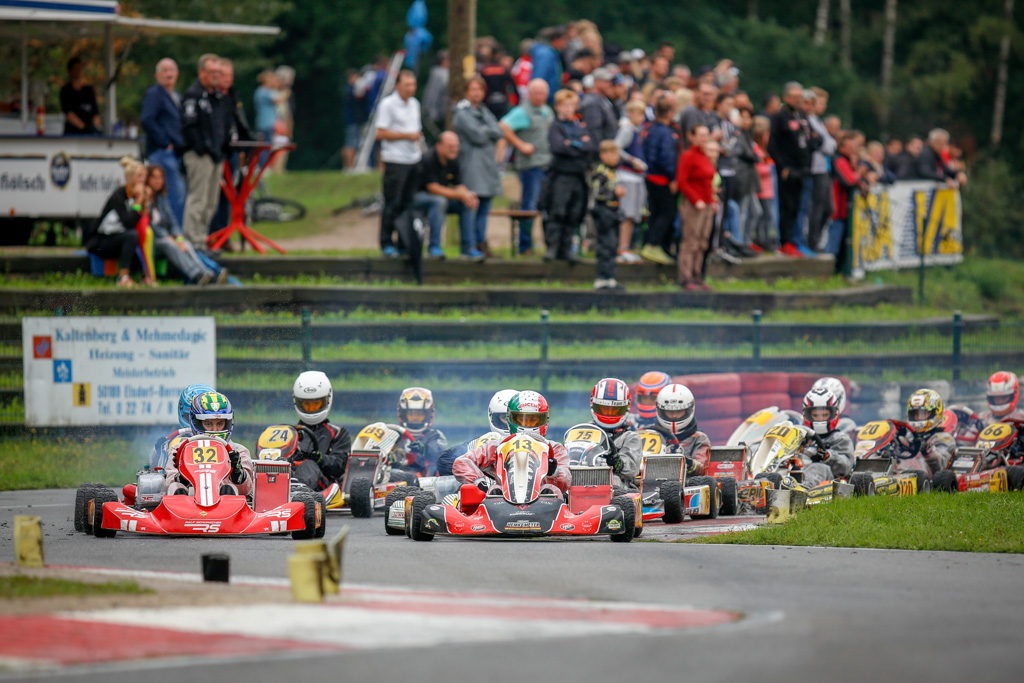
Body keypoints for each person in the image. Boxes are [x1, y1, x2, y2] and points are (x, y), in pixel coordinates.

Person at [453, 390, 571, 494]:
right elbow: (461, 462)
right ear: (510, 419)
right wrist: (479, 481)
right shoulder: (497, 446)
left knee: (552, 491)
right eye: (521, 419)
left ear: (545, 419)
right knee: (492, 491)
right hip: (502, 499)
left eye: (533, 420)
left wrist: (555, 472)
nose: (527, 425)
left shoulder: (554, 448)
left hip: (543, 499)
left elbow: (566, 482)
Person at [539, 89, 595, 262]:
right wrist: (577, 146)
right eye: (564, 105)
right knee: (558, 211)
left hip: (578, 176)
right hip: (561, 176)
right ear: (557, 107)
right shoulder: (556, 126)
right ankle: (553, 248)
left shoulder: (579, 125)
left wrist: (572, 144)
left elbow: (589, 146)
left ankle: (567, 249)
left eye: (571, 105)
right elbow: (558, 147)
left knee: (574, 212)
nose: (568, 108)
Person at [181, 54, 229, 252]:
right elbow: (189, 126)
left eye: (219, 72)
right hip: (199, 155)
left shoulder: (215, 96)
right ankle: (192, 241)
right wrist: (203, 149)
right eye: (212, 72)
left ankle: (202, 240)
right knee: (198, 199)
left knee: (211, 202)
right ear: (201, 73)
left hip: (215, 156)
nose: (216, 76)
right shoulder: (193, 95)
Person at [500, 79, 553, 255]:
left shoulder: (547, 111)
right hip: (531, 166)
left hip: (547, 164)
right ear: (529, 94)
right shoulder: (522, 112)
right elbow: (503, 126)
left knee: (547, 206)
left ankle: (549, 245)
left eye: (542, 93)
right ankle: (525, 246)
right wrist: (520, 144)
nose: (539, 96)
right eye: (536, 93)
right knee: (529, 204)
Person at [451, 76, 503, 259]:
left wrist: (486, 131)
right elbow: (477, 136)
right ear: (466, 92)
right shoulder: (461, 113)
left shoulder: (485, 111)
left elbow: (499, 131)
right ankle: (469, 245)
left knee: (484, 208)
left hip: (487, 168)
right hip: (471, 167)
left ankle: (482, 243)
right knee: (471, 207)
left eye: (480, 89)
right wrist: (488, 131)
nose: (477, 93)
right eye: (473, 90)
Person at [165, 391, 254, 497]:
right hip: (189, 504)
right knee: (175, 487)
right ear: (196, 422)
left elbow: (247, 490)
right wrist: (182, 477)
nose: (215, 430)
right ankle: (180, 505)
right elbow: (168, 483)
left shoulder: (238, 451)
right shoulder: (179, 449)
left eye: (220, 424)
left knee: (230, 488)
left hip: (226, 508)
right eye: (208, 424)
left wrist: (238, 473)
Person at [146, 164, 222, 285]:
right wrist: (169, 237)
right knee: (170, 244)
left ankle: (205, 273)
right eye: (154, 177)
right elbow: (148, 223)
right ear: (147, 179)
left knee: (186, 243)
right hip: (155, 240)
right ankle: (195, 274)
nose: (157, 181)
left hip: (168, 238)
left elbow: (172, 221)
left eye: (160, 177)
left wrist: (179, 238)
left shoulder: (162, 198)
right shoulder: (144, 198)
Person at [376, 70, 423, 258]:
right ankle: (386, 242)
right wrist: (406, 135)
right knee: (392, 203)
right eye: (407, 85)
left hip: (413, 159)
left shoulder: (415, 104)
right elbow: (380, 133)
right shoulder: (388, 104)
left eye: (413, 85)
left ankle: (404, 241)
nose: (411, 89)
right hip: (395, 160)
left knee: (409, 203)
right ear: (398, 86)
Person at [84, 157, 149, 288]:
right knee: (132, 235)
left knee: (144, 235)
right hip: (101, 242)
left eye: (144, 177)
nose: (142, 180)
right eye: (139, 176)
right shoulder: (118, 196)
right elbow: (129, 223)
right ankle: (123, 277)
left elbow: (147, 221)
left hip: (120, 239)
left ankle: (145, 276)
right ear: (129, 178)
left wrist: (145, 202)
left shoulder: (139, 196)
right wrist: (139, 201)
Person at [414, 131, 479, 260]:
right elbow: (433, 188)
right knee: (439, 201)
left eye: (456, 146)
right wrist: (460, 195)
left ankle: (468, 248)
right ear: (439, 145)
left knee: (466, 203)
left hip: (439, 197)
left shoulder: (453, 159)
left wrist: (467, 195)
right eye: (450, 147)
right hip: (418, 197)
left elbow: (458, 184)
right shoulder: (428, 158)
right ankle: (434, 247)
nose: (454, 150)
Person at [141, 58, 186, 226]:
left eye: (171, 70)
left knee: (178, 195)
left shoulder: (176, 96)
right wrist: (165, 142)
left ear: (177, 73)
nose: (168, 74)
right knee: (174, 195)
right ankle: (174, 234)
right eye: (164, 70)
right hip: (162, 153)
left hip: (175, 153)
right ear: (157, 75)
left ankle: (175, 233)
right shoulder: (155, 94)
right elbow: (147, 119)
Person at [769, 82, 812, 257]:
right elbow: (773, 145)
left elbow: (808, 140)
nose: (797, 100)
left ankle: (794, 241)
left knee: (797, 207)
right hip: (787, 169)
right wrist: (782, 166)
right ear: (786, 97)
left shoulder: (802, 115)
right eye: (794, 97)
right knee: (786, 206)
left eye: (799, 97)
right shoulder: (780, 116)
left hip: (802, 169)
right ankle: (784, 241)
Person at [291, 371, 352, 494]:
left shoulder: (338, 433)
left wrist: (320, 459)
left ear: (326, 400)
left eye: (316, 404)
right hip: (292, 476)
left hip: (324, 486)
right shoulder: (290, 433)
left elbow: (340, 467)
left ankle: (295, 492)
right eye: (307, 405)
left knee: (308, 465)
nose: (311, 409)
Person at [436, 389, 518, 477]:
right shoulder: (486, 441)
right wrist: (481, 477)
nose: (510, 424)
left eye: (515, 418)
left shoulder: (533, 441)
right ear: (493, 417)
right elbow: (445, 460)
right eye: (505, 418)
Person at [639, 93, 679, 266]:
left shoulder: (650, 130)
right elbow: (666, 157)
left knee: (655, 213)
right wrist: (672, 176)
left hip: (649, 176)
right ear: (670, 113)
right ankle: (653, 244)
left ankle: (653, 245)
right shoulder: (665, 132)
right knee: (668, 212)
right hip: (662, 179)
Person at [677, 125, 717, 291]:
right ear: (691, 136)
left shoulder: (705, 156)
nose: (704, 138)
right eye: (700, 135)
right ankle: (686, 277)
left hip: (707, 204)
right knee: (690, 242)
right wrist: (696, 200)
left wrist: (712, 200)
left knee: (702, 242)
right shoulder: (689, 156)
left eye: (706, 135)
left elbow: (709, 182)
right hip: (695, 205)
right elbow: (682, 181)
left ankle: (697, 275)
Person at [589, 378, 643, 490]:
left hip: (619, 490)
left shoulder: (630, 438)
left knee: (613, 479)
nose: (608, 414)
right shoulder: (585, 431)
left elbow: (631, 470)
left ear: (626, 407)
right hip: (584, 480)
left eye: (614, 410)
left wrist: (616, 462)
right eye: (603, 409)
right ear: (593, 404)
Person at [647, 384, 711, 477]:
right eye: (669, 411)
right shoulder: (651, 435)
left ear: (689, 410)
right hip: (650, 481)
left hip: (686, 485)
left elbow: (702, 468)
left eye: (679, 411)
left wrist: (686, 462)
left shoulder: (699, 438)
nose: (674, 416)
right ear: (661, 410)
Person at [794, 387, 853, 486]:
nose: (820, 419)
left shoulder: (840, 438)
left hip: (829, 478)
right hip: (799, 471)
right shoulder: (801, 438)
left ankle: (802, 490)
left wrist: (828, 456)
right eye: (816, 415)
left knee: (817, 467)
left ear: (834, 414)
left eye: (824, 414)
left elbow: (845, 467)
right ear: (807, 415)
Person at [613, 99, 648, 263]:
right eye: (638, 113)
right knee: (627, 214)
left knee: (633, 215)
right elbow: (616, 147)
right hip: (627, 176)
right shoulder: (627, 129)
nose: (641, 117)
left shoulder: (636, 130)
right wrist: (632, 160)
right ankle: (621, 248)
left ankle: (626, 247)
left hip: (636, 177)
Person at [590, 141, 627, 291]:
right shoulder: (600, 172)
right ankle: (602, 278)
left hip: (613, 211)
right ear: (603, 155)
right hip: (603, 211)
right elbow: (597, 193)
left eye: (616, 154)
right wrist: (614, 193)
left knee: (613, 245)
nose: (615, 157)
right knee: (606, 244)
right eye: (611, 154)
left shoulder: (613, 171)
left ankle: (610, 277)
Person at [826, 132, 865, 268]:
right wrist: (859, 174)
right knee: (833, 244)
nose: (855, 149)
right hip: (838, 211)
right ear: (843, 147)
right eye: (852, 146)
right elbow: (849, 181)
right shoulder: (839, 160)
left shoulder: (848, 161)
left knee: (843, 245)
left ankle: (839, 271)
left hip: (845, 212)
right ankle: (827, 271)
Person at [806, 88, 836, 253]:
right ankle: (812, 240)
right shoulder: (809, 121)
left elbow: (829, 144)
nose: (823, 106)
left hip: (824, 167)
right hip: (816, 169)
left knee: (828, 208)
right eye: (821, 102)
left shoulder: (817, 121)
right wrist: (829, 144)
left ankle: (816, 239)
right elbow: (826, 144)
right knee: (818, 207)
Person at [393, 387, 448, 477]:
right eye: (411, 414)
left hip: (423, 478)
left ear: (428, 415)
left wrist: (423, 449)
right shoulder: (395, 434)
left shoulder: (434, 435)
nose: (415, 417)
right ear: (403, 414)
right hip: (393, 475)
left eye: (419, 414)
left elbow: (438, 453)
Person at [901, 389, 956, 473]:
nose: (918, 417)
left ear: (935, 413)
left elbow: (942, 465)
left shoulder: (944, 438)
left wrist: (928, 451)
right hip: (902, 472)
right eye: (915, 414)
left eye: (923, 413)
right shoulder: (908, 436)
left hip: (926, 478)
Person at [60, 57, 101, 136]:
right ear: (70, 71)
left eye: (80, 68)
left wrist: (94, 128)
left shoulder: (89, 90)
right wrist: (84, 127)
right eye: (76, 69)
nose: (79, 71)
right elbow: (69, 113)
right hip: (73, 133)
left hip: (90, 135)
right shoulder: (66, 90)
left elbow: (96, 113)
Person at [580, 68, 619, 149]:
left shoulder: (602, 99)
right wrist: (601, 152)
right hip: (601, 152)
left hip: (609, 149)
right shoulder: (592, 103)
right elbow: (594, 131)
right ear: (596, 82)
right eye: (606, 81)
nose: (609, 84)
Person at [530, 27, 568, 103]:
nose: (566, 43)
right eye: (564, 40)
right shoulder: (545, 54)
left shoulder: (551, 53)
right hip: (545, 98)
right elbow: (539, 77)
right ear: (556, 40)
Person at [422, 50, 450, 133]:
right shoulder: (438, 73)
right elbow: (432, 93)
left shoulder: (444, 73)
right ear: (444, 61)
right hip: (440, 113)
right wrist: (431, 113)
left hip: (444, 112)